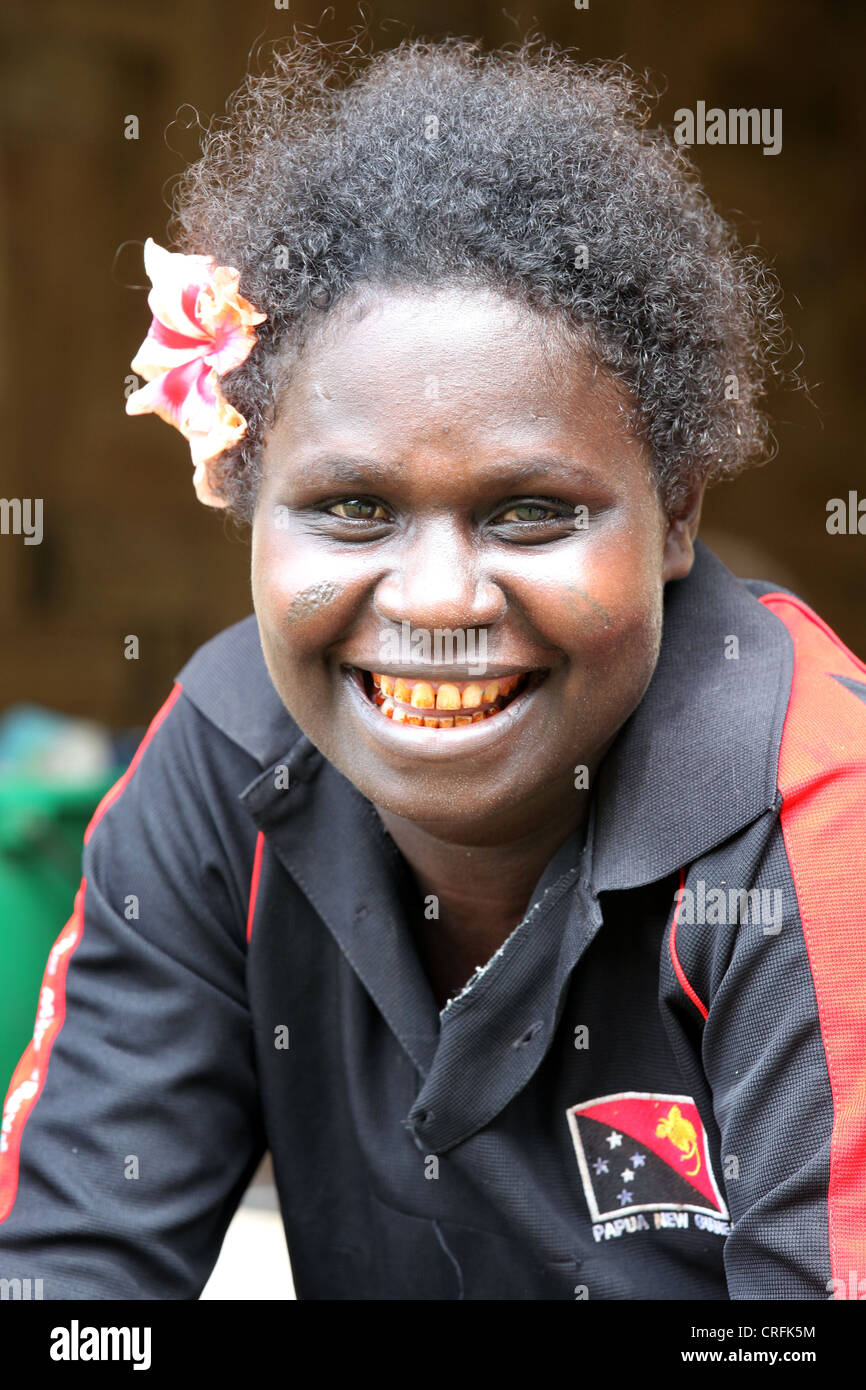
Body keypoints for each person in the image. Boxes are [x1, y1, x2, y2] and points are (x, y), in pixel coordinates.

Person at [1, 33, 864, 1302]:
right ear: (246, 504)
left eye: (528, 512)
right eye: (350, 508)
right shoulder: (225, 761)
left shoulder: (816, 821)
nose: (438, 599)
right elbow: (71, 1296)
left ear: (675, 512)